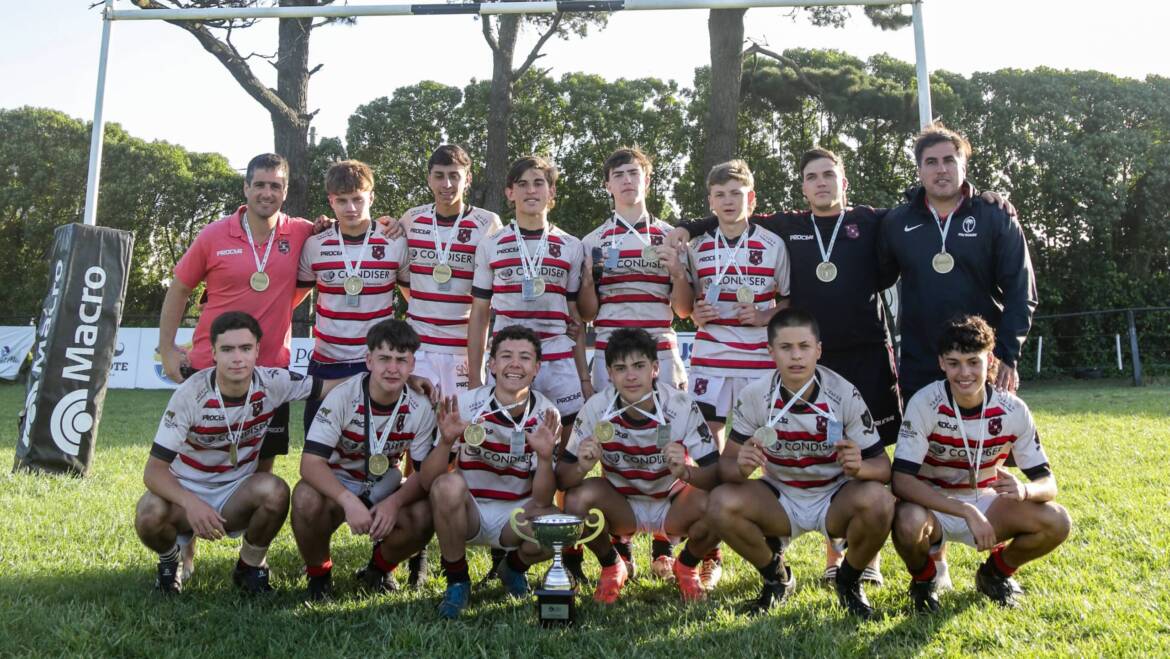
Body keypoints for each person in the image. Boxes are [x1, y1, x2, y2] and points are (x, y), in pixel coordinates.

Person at [133, 311, 341, 595]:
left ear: (257, 350)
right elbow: (153, 471)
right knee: (148, 513)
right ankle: (171, 564)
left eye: (245, 348)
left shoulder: (273, 382)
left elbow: (329, 388)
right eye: (227, 349)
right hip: (186, 492)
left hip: (235, 492)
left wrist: (389, 377)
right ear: (213, 353)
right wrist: (190, 503)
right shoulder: (190, 394)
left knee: (275, 491)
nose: (237, 358)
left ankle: (249, 567)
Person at [707, 309, 894, 618]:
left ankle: (848, 582)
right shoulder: (755, 395)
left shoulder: (844, 393)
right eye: (785, 347)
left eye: (804, 347)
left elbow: (883, 467)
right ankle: (777, 578)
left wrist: (860, 467)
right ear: (770, 351)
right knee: (719, 504)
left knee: (881, 502)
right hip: (780, 496)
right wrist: (741, 465)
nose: (796, 356)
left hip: (834, 496)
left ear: (818, 350)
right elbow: (724, 469)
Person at [891, 314, 1069, 611]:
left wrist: (1024, 491)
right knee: (906, 522)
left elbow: (1048, 483)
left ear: (990, 359)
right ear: (941, 363)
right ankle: (924, 581)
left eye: (974, 362)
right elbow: (902, 480)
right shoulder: (924, 402)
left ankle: (994, 574)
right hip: (934, 505)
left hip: (989, 503)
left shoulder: (1012, 409)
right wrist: (965, 510)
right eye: (954, 363)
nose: (964, 373)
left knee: (1057, 521)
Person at [159, 153, 315, 473]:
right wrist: (167, 349)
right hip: (209, 368)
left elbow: (346, 233)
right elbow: (179, 289)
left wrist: (388, 224)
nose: (267, 193)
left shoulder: (303, 232)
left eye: (275, 186)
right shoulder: (214, 234)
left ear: (285, 191)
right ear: (246, 188)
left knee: (262, 474)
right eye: (259, 184)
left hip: (270, 374)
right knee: (194, 464)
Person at [576, 147, 688, 583]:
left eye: (634, 173)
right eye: (618, 174)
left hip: (660, 347)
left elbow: (683, 310)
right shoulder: (592, 241)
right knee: (614, 436)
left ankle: (665, 539)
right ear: (607, 185)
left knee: (667, 435)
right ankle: (620, 540)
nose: (627, 181)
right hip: (609, 351)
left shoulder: (670, 236)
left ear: (647, 180)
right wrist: (586, 281)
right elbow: (586, 313)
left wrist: (678, 272)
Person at [557, 328, 719, 604]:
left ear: (655, 368)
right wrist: (582, 466)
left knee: (721, 500)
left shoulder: (679, 405)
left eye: (639, 366)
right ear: (609, 373)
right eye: (620, 368)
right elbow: (563, 478)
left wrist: (686, 472)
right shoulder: (597, 407)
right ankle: (612, 565)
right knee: (575, 499)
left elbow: (715, 475)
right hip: (624, 504)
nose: (630, 376)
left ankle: (687, 565)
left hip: (673, 503)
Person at [878, 123, 1037, 401]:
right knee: (923, 444)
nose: (941, 169)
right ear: (919, 171)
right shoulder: (896, 222)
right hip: (921, 364)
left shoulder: (995, 217)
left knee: (987, 444)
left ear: (963, 166)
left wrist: (1008, 355)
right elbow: (873, 280)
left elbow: (1021, 292)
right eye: (931, 162)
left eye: (949, 160)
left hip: (981, 360)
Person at [421, 325, 562, 619]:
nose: (515, 364)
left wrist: (546, 458)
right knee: (446, 487)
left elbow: (543, 498)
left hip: (516, 516)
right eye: (506, 355)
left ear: (536, 368)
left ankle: (512, 569)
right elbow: (427, 481)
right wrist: (446, 440)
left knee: (556, 527)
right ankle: (457, 581)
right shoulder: (467, 403)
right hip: (469, 511)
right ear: (492, 364)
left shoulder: (546, 413)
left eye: (525, 357)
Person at [291, 320, 438, 601]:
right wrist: (348, 501)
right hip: (339, 481)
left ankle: (378, 570)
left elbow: (423, 475)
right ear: (368, 360)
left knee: (424, 512)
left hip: (385, 483)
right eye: (384, 358)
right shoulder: (343, 395)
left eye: (401, 360)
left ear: (412, 365)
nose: (392, 368)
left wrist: (395, 503)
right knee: (305, 497)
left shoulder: (420, 405)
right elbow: (309, 463)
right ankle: (319, 576)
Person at [467, 156, 593, 450]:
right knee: (504, 444)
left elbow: (575, 317)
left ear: (552, 193)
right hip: (509, 358)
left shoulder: (572, 246)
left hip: (557, 357)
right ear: (510, 193)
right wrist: (475, 377)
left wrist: (584, 378)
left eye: (539, 183)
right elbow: (480, 314)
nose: (531, 191)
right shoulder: (491, 245)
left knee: (562, 449)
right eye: (522, 184)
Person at [666, 159, 790, 447]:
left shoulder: (774, 245)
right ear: (711, 201)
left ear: (751, 199)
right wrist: (694, 310)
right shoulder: (697, 247)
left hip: (760, 357)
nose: (728, 201)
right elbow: (683, 309)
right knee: (708, 439)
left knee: (768, 439)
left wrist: (764, 316)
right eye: (720, 194)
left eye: (736, 193)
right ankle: (716, 492)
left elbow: (790, 300)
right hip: (711, 356)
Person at [298, 159, 407, 432]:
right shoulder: (314, 244)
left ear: (371, 196)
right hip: (326, 362)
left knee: (376, 446)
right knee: (317, 446)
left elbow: (414, 299)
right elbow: (293, 298)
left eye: (358, 199)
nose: (351, 208)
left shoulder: (394, 241)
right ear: (330, 201)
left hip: (375, 362)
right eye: (342, 200)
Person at [398, 145, 503, 396]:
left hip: (462, 350)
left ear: (467, 178)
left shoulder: (488, 223)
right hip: (418, 348)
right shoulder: (411, 219)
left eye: (454, 175)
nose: (446, 184)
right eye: (439, 175)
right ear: (429, 179)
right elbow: (402, 277)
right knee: (417, 429)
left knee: (461, 430)